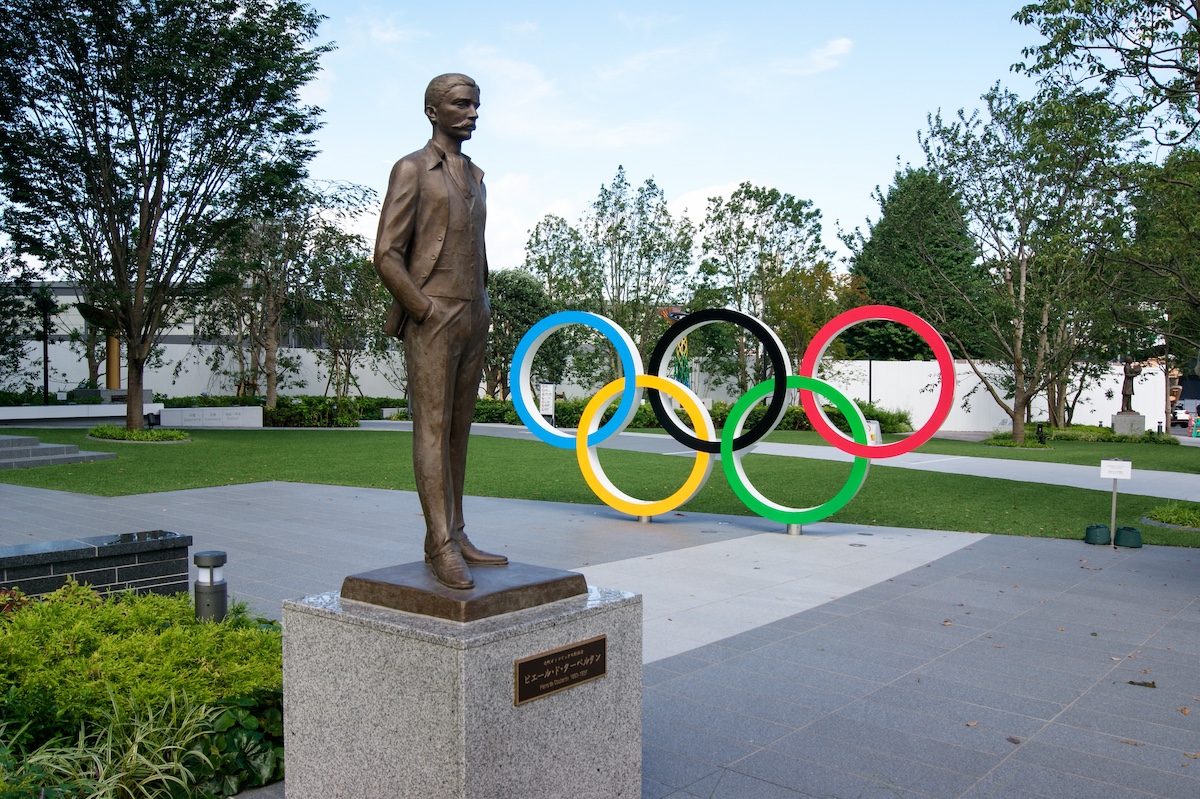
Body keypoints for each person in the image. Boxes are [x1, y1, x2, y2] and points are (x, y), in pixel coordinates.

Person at [374, 73, 507, 589]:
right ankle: (439, 545)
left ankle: (457, 531)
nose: (473, 113)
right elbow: (386, 253)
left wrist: (484, 305)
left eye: (476, 104)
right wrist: (423, 309)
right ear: (433, 111)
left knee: (458, 430)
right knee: (431, 428)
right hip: (434, 314)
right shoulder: (412, 169)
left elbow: (477, 248)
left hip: (475, 314)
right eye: (461, 104)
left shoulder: (476, 175)